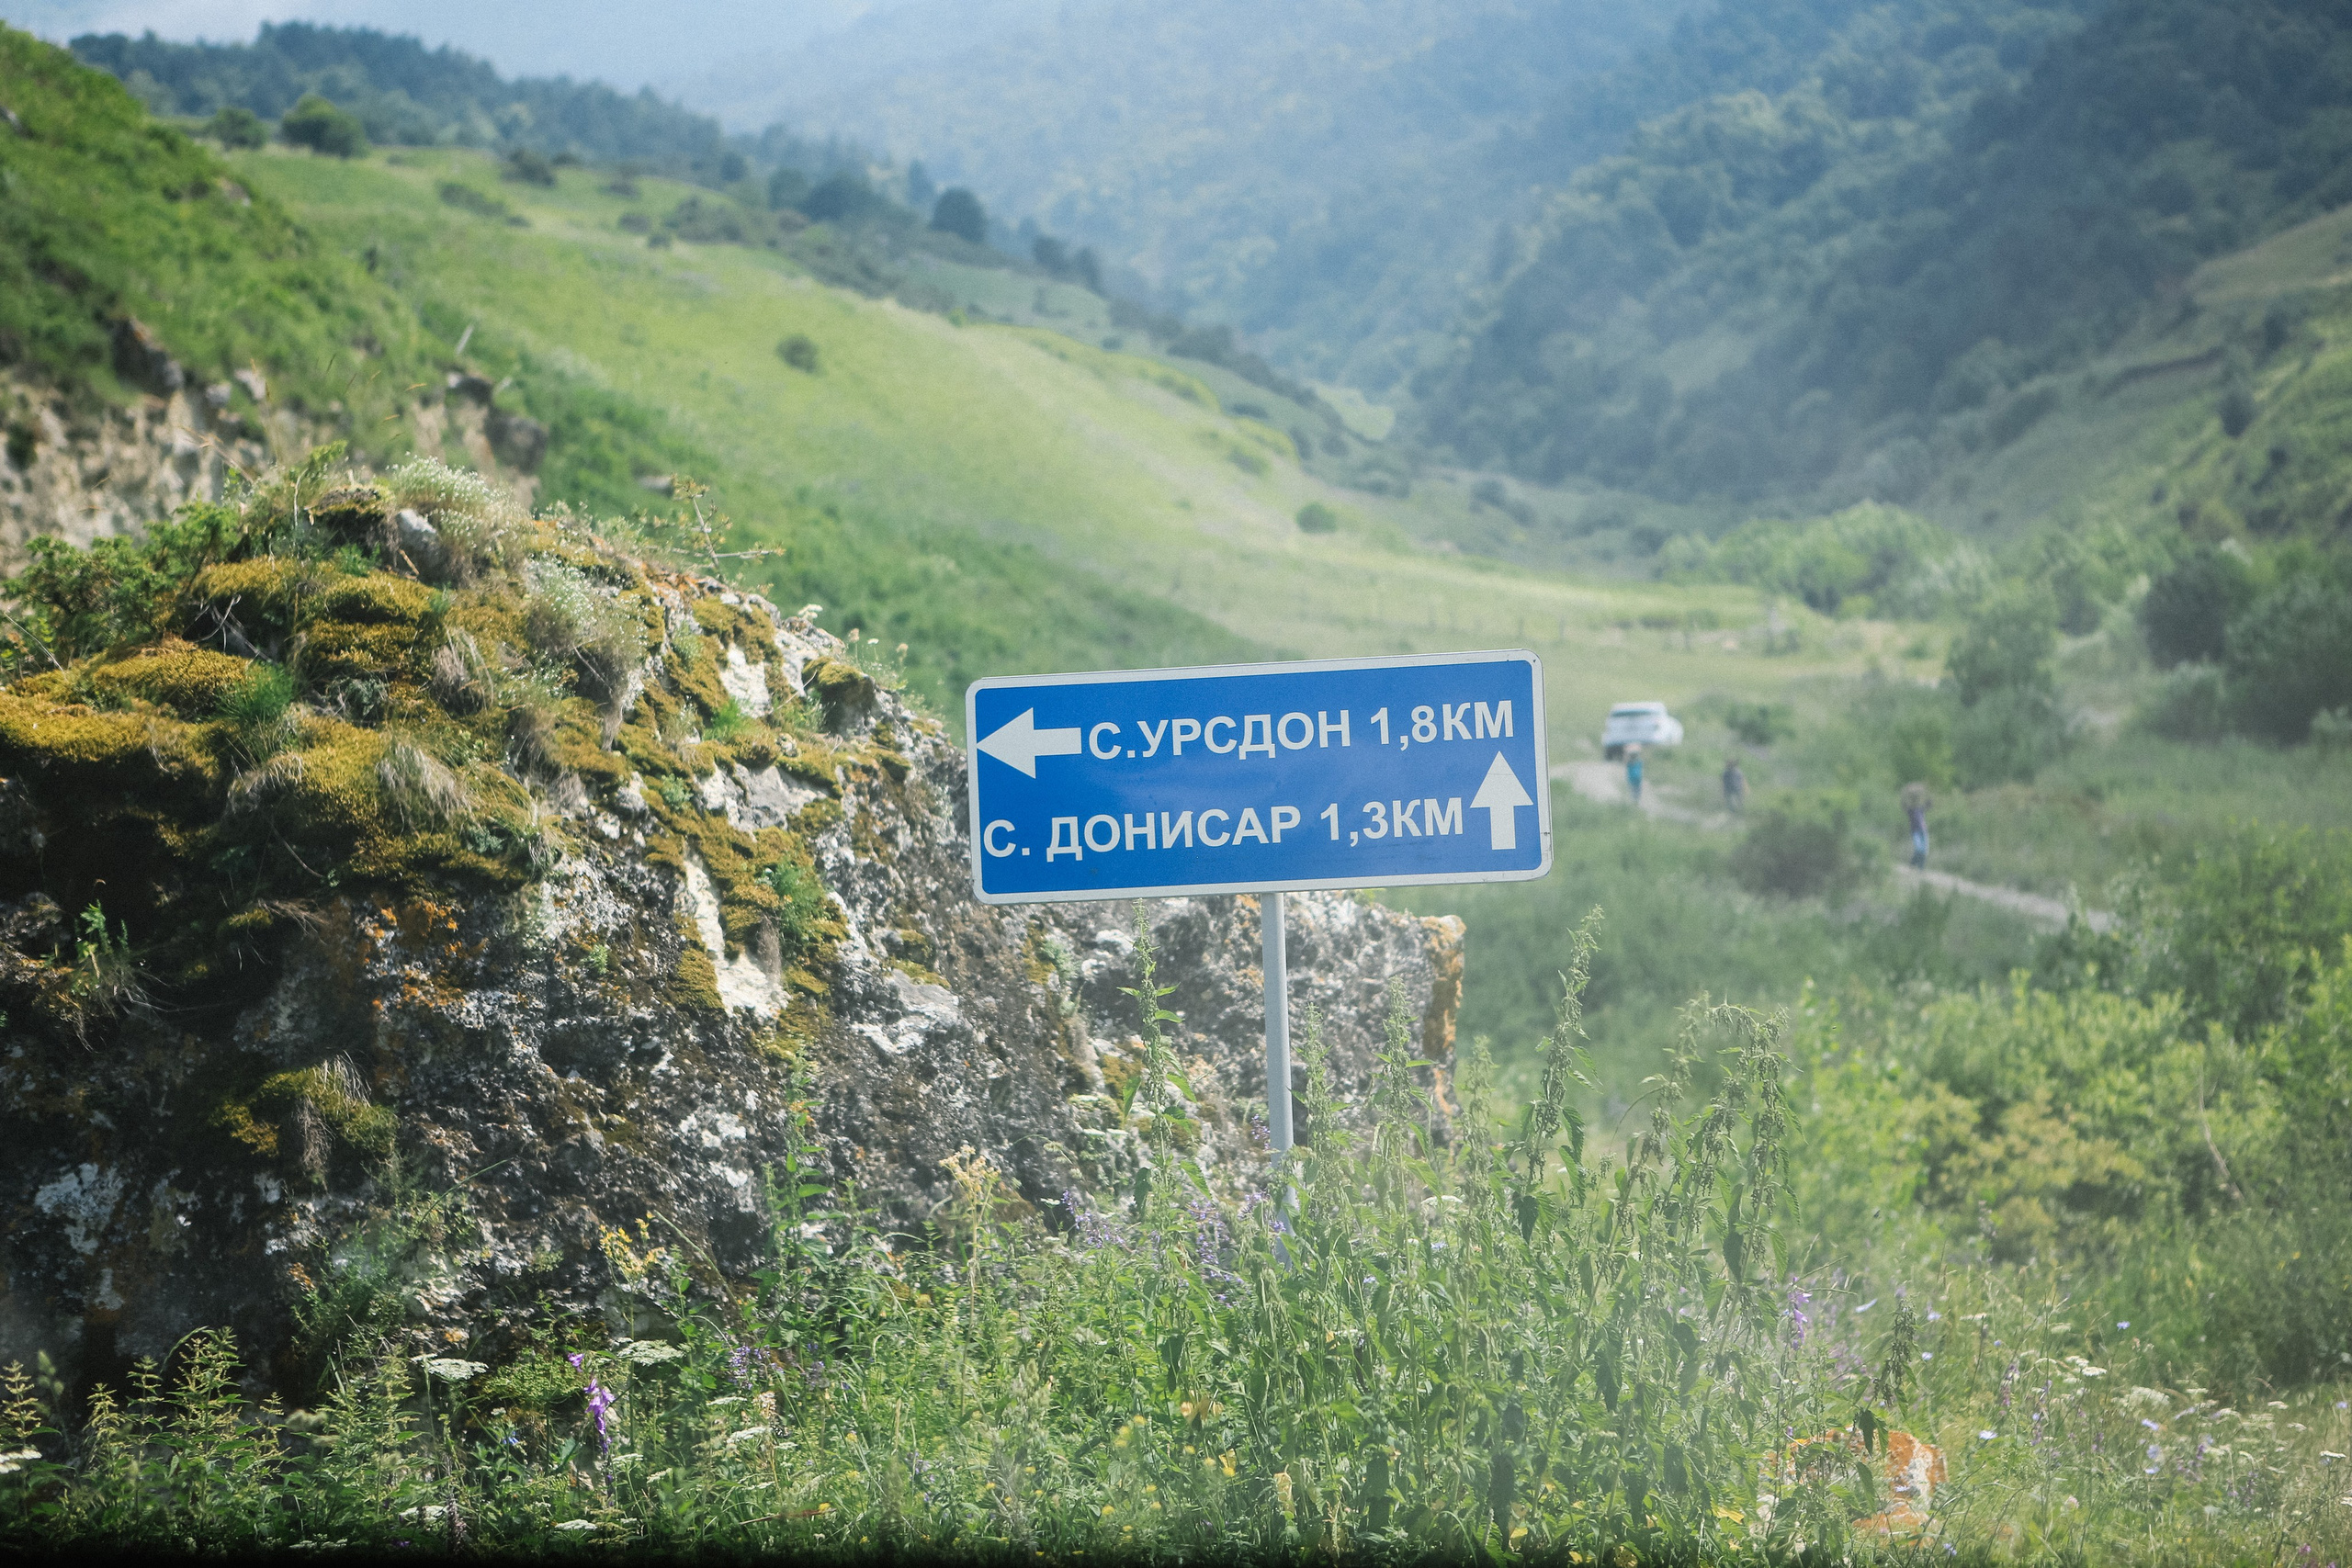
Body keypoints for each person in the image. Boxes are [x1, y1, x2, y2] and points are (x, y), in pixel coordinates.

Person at [1901, 781, 1930, 869]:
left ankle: (1920, 868)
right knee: (1918, 849)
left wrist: (1928, 793)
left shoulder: (1920, 809)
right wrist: (1904, 794)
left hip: (1923, 830)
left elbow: (1929, 804)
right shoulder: (1910, 810)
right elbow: (1903, 805)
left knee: (1924, 851)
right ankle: (1913, 864)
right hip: (1915, 831)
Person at [1624, 743, 1644, 807]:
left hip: (1636, 779)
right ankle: (1634, 803)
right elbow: (1626, 760)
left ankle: (1635, 803)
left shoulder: (1638, 762)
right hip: (1634, 779)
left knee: (1636, 792)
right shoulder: (1631, 762)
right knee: (1634, 792)